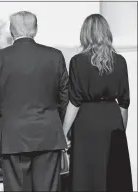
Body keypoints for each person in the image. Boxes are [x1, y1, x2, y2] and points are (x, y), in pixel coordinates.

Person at [0, 11, 69, 191]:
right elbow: (64, 98)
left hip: (12, 138)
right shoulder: (55, 56)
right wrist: (64, 131)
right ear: (35, 30)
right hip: (48, 136)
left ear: (11, 31)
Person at [62, 14, 133, 192]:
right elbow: (124, 102)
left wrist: (63, 133)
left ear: (85, 34)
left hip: (87, 122)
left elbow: (74, 101)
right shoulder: (120, 61)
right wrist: (120, 129)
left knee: (86, 174)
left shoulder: (77, 61)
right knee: (114, 173)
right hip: (112, 119)